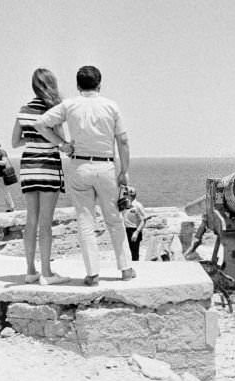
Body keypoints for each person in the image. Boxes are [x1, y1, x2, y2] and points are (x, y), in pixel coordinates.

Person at [34, 65, 134, 286]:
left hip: (79, 165)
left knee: (85, 220)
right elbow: (123, 141)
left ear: (78, 85)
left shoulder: (69, 105)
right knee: (114, 218)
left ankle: (92, 274)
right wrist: (124, 171)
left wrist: (62, 144)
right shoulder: (111, 106)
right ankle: (126, 268)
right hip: (106, 165)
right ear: (100, 83)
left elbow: (41, 123)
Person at [11, 68, 68, 285]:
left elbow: (15, 142)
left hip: (28, 166)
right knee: (46, 222)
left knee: (31, 219)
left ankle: (30, 270)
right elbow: (60, 140)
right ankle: (46, 272)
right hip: (48, 166)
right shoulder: (54, 110)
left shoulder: (23, 110)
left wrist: (32, 141)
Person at [121, 186, 147, 262]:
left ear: (130, 195)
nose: (123, 195)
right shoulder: (124, 203)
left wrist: (136, 232)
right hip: (125, 229)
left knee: (134, 254)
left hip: (134, 230)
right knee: (126, 253)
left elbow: (144, 220)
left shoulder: (138, 205)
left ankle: (136, 269)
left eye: (125, 193)